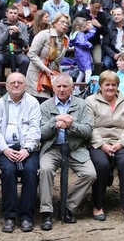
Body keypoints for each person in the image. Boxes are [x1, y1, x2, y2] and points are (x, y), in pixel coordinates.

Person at [38, 73, 97, 227]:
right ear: (53, 87)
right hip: (53, 148)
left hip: (75, 148)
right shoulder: (45, 106)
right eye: (59, 86)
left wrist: (72, 124)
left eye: (66, 86)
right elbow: (41, 133)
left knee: (90, 174)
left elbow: (88, 130)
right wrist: (54, 121)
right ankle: (46, 212)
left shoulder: (82, 104)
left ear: (72, 88)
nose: (62, 89)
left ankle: (68, 207)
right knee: (45, 169)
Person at [86, 71, 124, 222]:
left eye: (113, 85)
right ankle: (98, 205)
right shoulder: (90, 101)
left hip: (119, 143)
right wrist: (102, 145)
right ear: (100, 86)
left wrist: (120, 143)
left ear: (117, 86)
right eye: (107, 84)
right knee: (101, 165)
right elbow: (90, 126)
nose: (110, 87)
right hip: (98, 143)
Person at [0, 72, 41, 233]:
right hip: (6, 148)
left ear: (25, 86)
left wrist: (27, 149)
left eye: (20, 82)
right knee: (8, 170)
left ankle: (26, 216)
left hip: (28, 148)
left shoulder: (33, 102)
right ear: (6, 85)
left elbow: (35, 128)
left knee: (31, 171)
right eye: (12, 82)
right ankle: (10, 216)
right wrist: (4, 149)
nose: (16, 85)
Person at [26, 12, 70, 103]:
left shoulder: (65, 39)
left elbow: (58, 61)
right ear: (54, 22)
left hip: (52, 75)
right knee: (41, 100)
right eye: (62, 22)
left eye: (67, 23)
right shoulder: (44, 34)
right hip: (37, 74)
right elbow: (31, 54)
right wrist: (45, 69)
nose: (65, 25)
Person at [0, 6, 31, 98]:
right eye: (11, 13)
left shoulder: (22, 26)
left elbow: (26, 42)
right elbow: (0, 41)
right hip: (3, 52)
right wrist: (7, 30)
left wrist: (19, 33)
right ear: (6, 14)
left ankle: (22, 86)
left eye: (15, 13)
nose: (13, 15)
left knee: (25, 61)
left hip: (17, 53)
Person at [70, 17, 96, 86]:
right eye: (84, 27)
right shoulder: (80, 34)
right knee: (88, 71)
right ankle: (88, 87)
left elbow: (87, 36)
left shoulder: (75, 34)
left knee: (82, 72)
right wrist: (89, 44)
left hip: (78, 55)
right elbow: (82, 42)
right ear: (78, 27)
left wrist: (92, 29)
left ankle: (76, 88)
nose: (86, 28)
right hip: (83, 55)